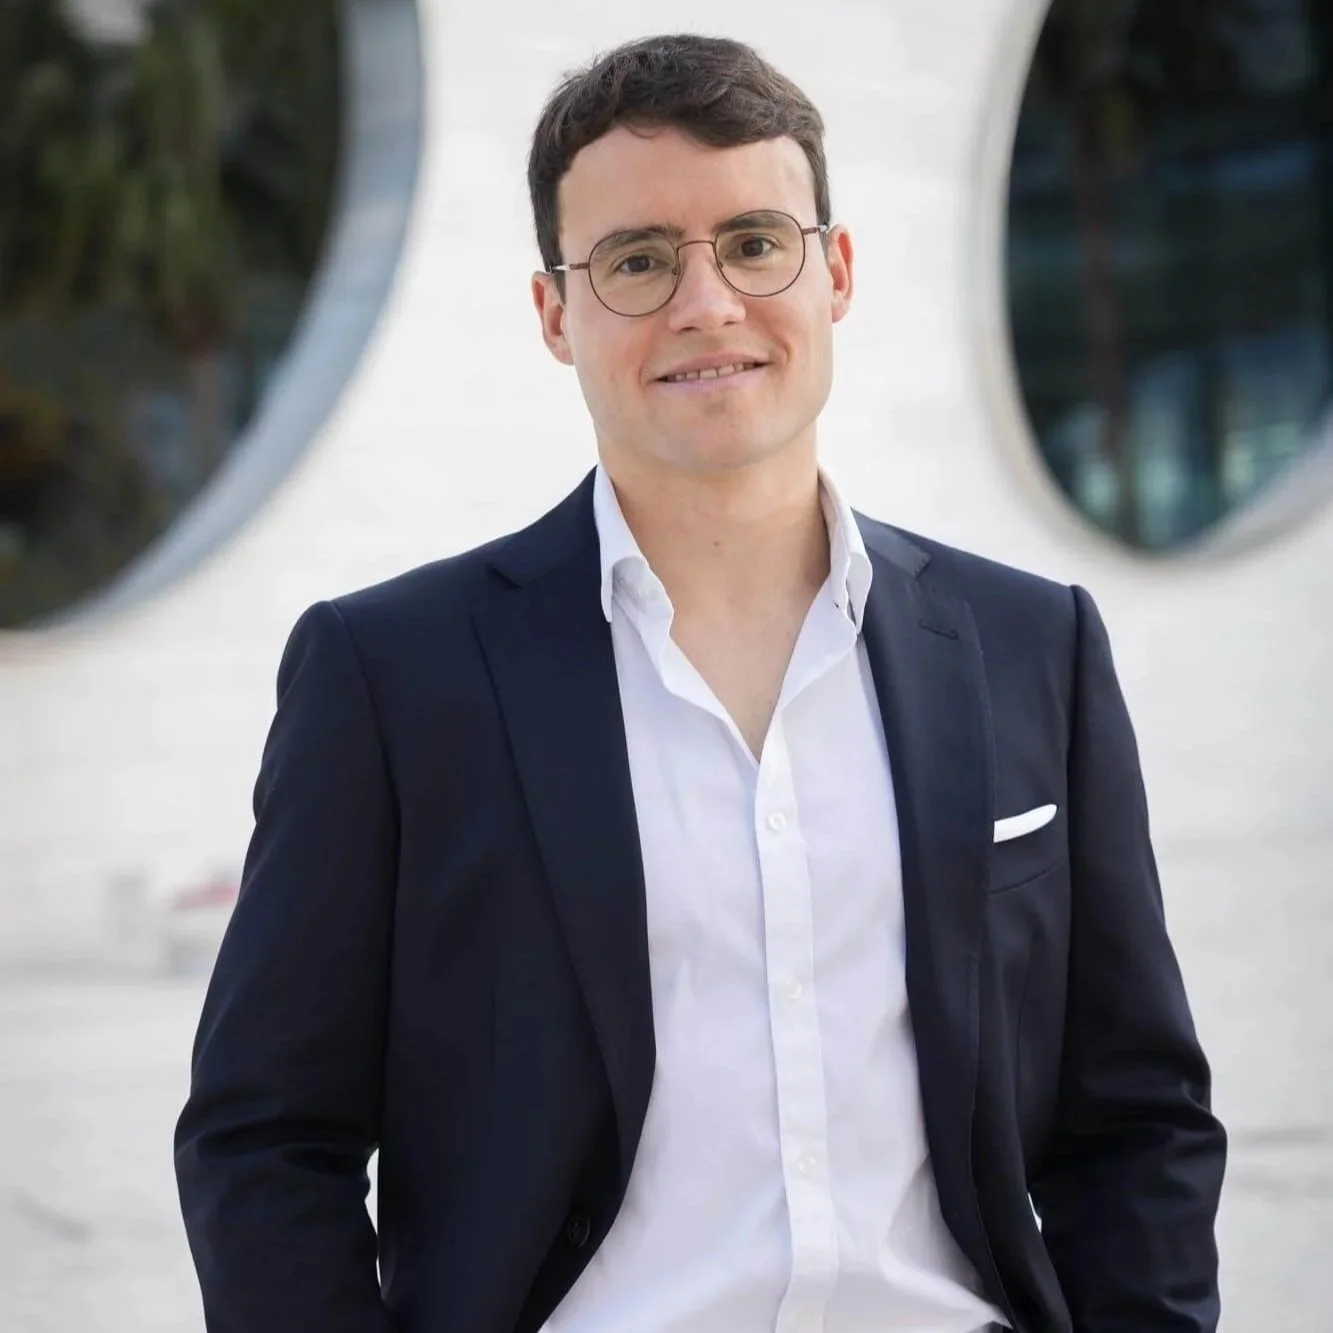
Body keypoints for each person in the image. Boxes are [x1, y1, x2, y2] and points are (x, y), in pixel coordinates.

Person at [174, 32, 1226, 1333]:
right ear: (557, 313)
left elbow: (1139, 1117)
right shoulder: (393, 676)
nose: (707, 303)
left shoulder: (1032, 646)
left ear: (833, 270)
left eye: (753, 242)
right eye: (636, 261)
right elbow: (266, 1136)